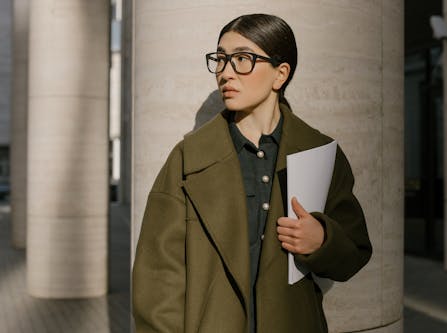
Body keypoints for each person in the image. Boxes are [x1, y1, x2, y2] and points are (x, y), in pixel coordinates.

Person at [133, 13, 372, 333]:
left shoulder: (318, 152)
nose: (225, 72)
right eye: (220, 59)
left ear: (280, 74)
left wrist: (322, 240)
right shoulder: (187, 158)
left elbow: (354, 252)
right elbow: (158, 279)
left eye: (242, 59)